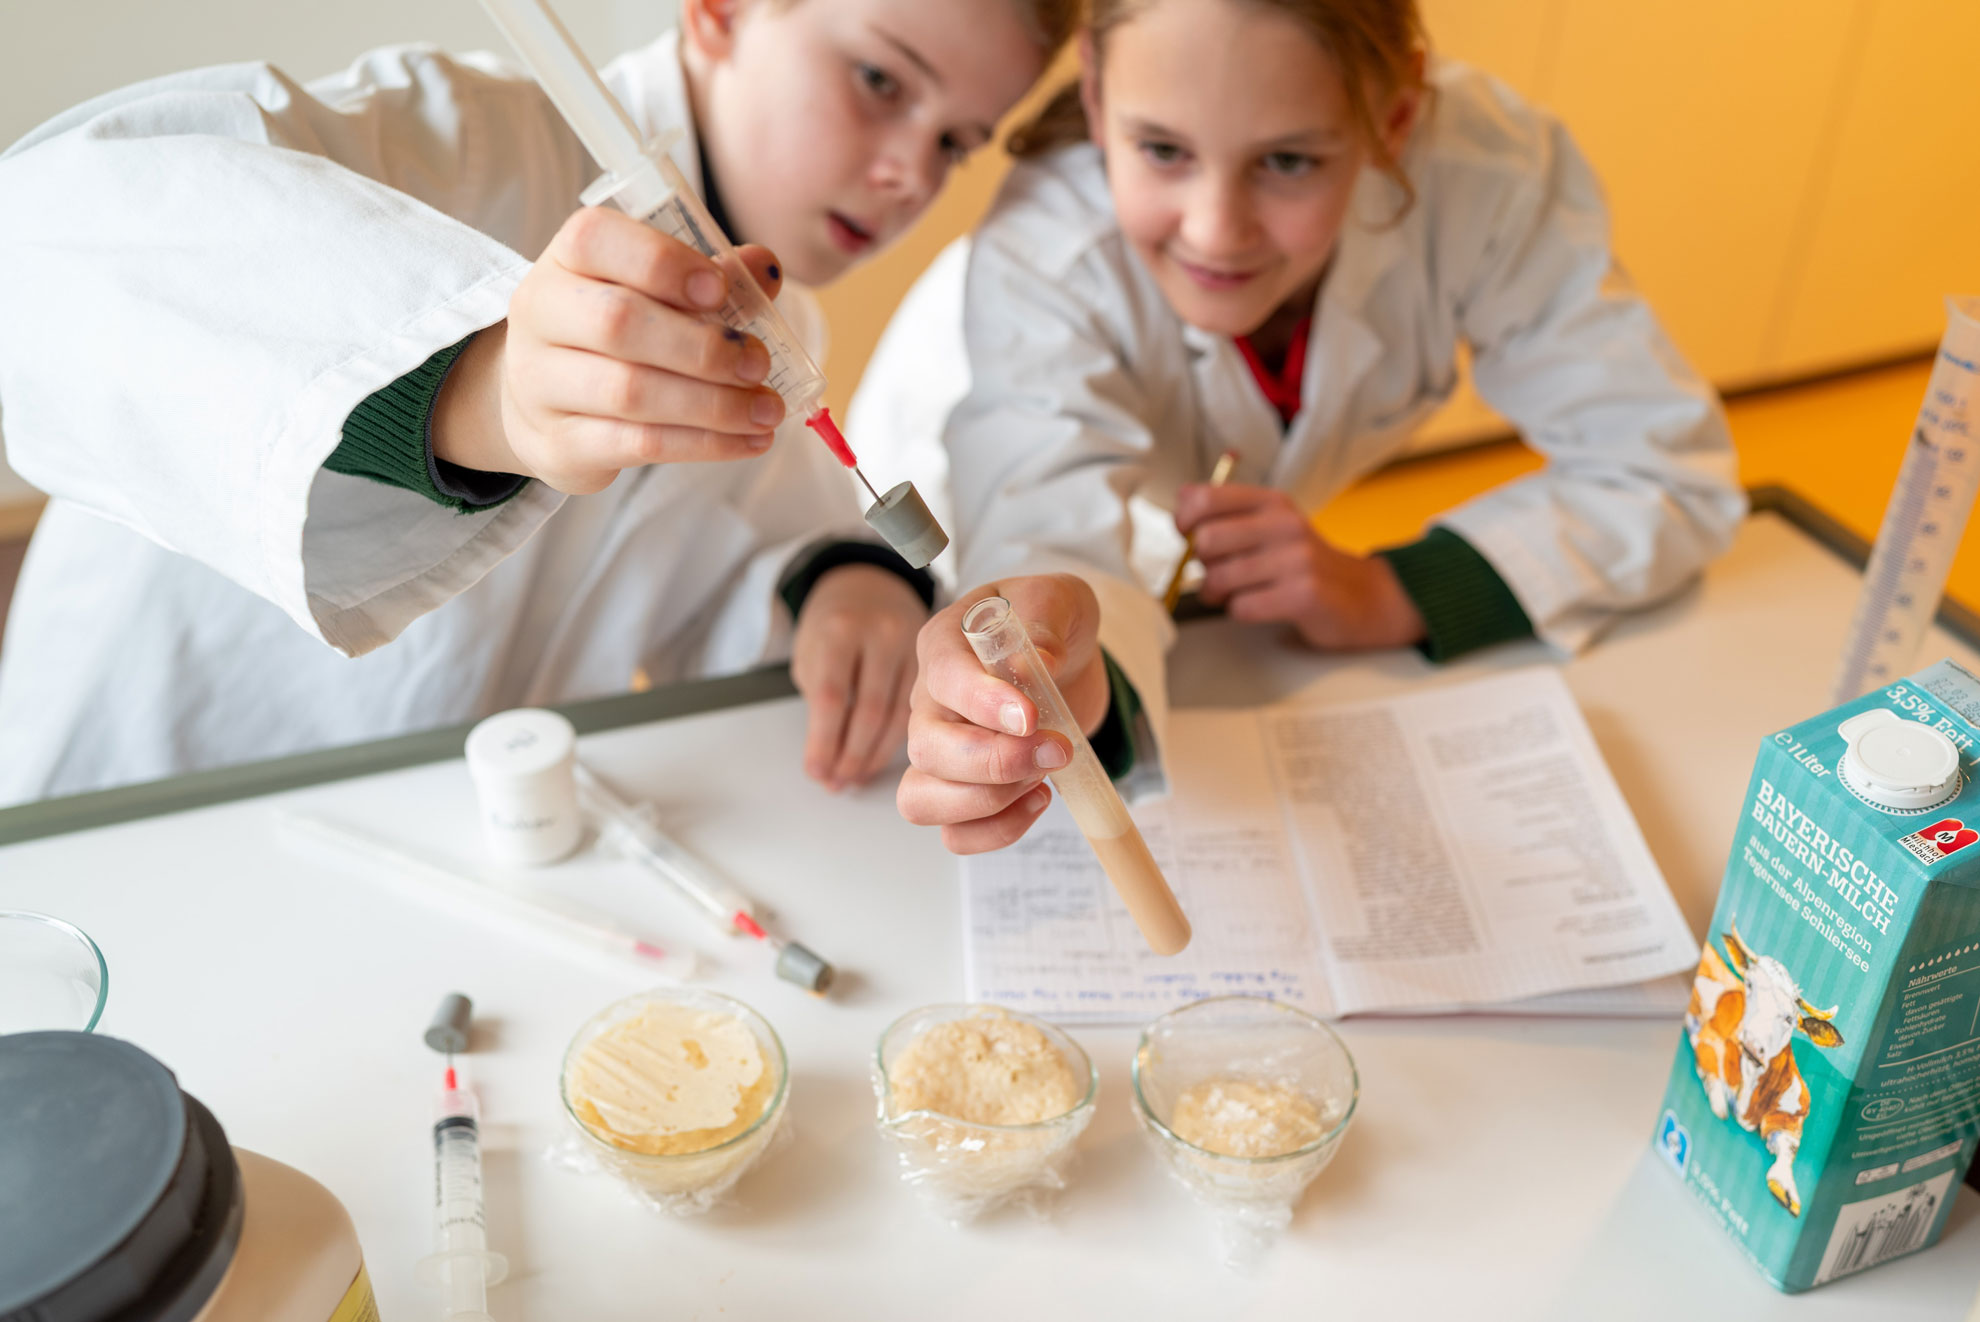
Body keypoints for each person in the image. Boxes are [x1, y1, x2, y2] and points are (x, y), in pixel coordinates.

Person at [0, 0, 1067, 804]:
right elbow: (40, 239)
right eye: (882, 80)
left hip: (427, 831)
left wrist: (847, 588)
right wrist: (472, 395)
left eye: (956, 142)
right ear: (723, 11)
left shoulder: (781, 333)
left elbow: (738, 559)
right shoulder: (458, 139)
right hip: (129, 811)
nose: (908, 177)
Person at [890, 0, 1745, 853]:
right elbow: (1051, 553)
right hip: (963, 485)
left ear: (1394, 118)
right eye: (1162, 150)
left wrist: (1391, 591)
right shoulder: (1046, 256)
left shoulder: (1484, 170)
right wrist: (1063, 678)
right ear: (1095, 84)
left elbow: (1665, 472)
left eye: (1289, 160)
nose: (1216, 232)